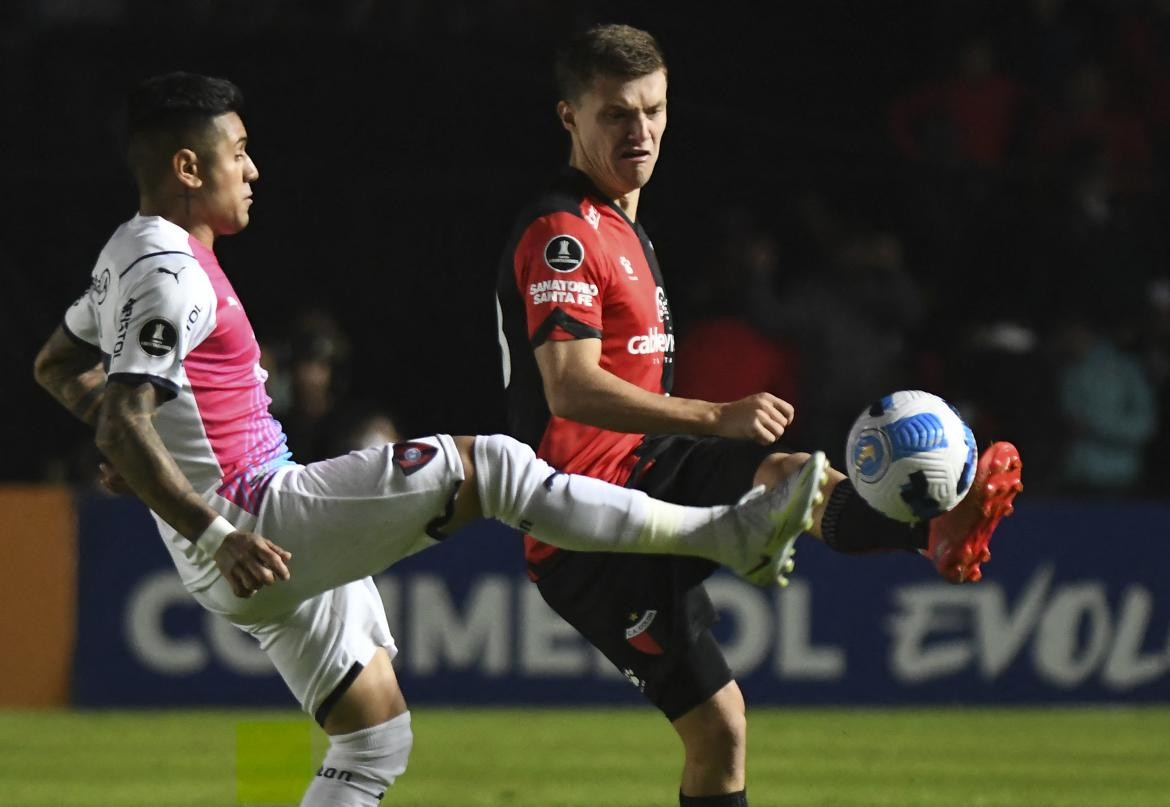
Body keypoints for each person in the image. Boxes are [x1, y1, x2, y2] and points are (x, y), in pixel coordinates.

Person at [31, 72, 829, 807]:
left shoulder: (126, 253)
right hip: (255, 522)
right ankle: (727, 533)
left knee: (372, 737)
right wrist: (208, 521)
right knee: (495, 467)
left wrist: (149, 458)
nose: (253, 169)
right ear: (187, 167)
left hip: (243, 536)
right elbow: (126, 416)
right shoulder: (169, 272)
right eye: (238, 152)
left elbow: (59, 364)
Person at [495, 24, 1024, 807]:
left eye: (653, 109)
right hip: (582, 520)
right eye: (615, 114)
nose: (639, 131)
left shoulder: (624, 225)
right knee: (721, 730)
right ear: (569, 116)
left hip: (644, 467)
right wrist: (714, 414)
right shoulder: (564, 235)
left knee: (788, 477)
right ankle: (925, 533)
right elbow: (568, 388)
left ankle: (933, 533)